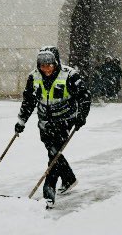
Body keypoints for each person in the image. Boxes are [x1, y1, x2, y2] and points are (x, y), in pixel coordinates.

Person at [16, 45, 91, 208]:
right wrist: (21, 121)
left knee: (54, 153)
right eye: (42, 66)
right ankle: (69, 178)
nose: (46, 69)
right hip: (44, 120)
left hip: (64, 119)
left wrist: (81, 116)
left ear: (56, 63)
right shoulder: (34, 77)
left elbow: (84, 96)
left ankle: (48, 192)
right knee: (52, 149)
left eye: (49, 65)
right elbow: (29, 101)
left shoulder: (69, 75)